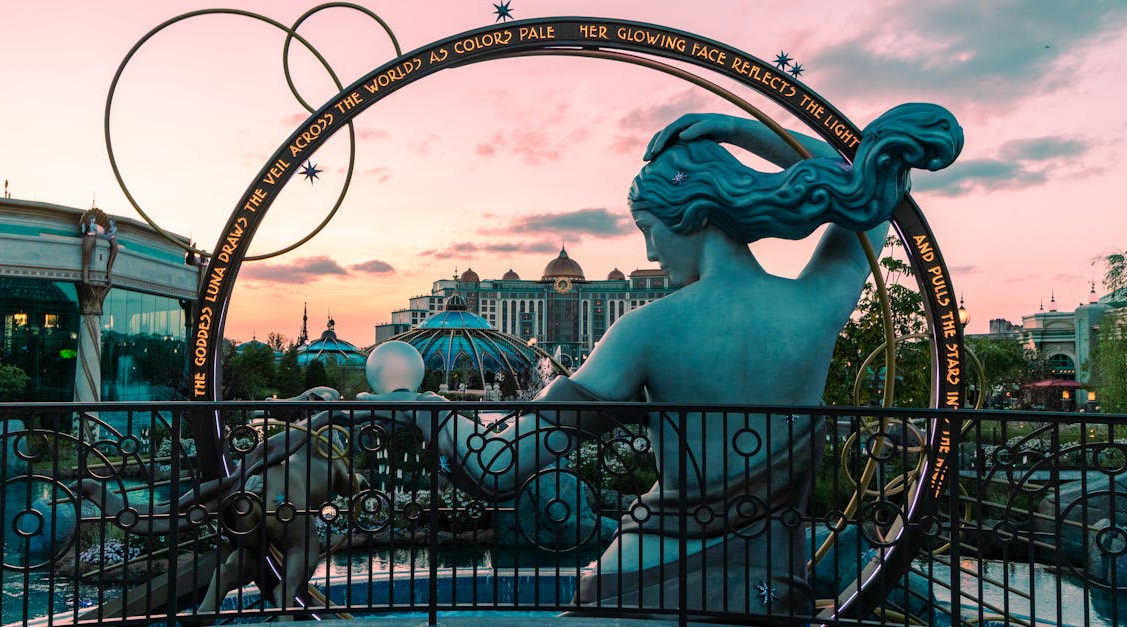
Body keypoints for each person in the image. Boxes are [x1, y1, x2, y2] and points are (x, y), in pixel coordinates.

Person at [364, 103, 963, 621]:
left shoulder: (646, 331)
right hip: (770, 591)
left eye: (649, 229)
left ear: (694, 213)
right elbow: (876, 183)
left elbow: (496, 467)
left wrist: (418, 407)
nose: (649, 250)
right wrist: (738, 129)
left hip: (642, 584)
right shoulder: (815, 308)